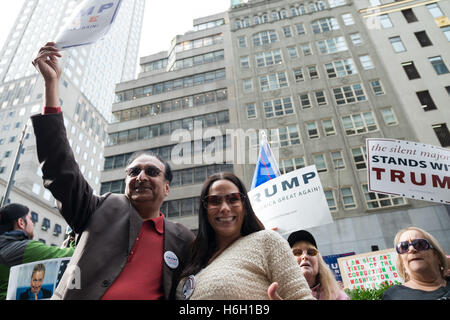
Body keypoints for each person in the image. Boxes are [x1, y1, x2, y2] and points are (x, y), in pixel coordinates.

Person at [31, 42, 195, 300]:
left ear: (167, 187)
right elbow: (61, 169)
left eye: (151, 171)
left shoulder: (181, 238)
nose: (140, 177)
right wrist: (51, 85)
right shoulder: (99, 208)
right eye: (133, 172)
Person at [175, 172, 314, 300]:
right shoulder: (193, 260)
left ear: (245, 207)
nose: (224, 208)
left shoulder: (267, 241)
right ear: (205, 210)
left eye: (233, 199)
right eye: (215, 201)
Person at [0, 203, 74, 300]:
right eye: (30, 219)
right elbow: (72, 255)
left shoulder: (4, 246)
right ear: (21, 222)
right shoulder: (23, 249)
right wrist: (74, 239)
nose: (33, 223)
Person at [277, 230, 349, 300]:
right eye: (297, 252)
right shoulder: (277, 295)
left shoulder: (339, 297)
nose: (304, 256)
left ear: (318, 261)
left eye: (311, 252)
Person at [382, 226, 449, 300]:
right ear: (402, 263)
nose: (411, 249)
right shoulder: (394, 295)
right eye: (404, 247)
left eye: (420, 244)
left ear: (437, 256)